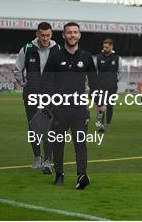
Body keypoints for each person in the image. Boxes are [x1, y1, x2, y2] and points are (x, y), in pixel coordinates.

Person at [42, 22, 96, 189]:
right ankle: (59, 174)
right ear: (64, 36)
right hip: (60, 109)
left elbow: (94, 82)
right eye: (69, 33)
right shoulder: (55, 56)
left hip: (80, 109)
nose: (72, 35)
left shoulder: (86, 57)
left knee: (80, 143)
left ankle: (82, 175)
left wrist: (99, 102)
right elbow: (46, 81)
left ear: (79, 35)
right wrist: (48, 103)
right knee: (58, 143)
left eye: (75, 32)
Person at [14, 21, 59, 174]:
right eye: (42, 35)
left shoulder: (57, 49)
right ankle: (37, 157)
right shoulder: (27, 48)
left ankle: (47, 160)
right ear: (37, 34)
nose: (45, 38)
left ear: (51, 35)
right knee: (33, 126)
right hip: (31, 94)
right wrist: (23, 83)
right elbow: (17, 68)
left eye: (48, 35)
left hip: (50, 95)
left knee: (48, 127)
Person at [94, 38, 123, 132]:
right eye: (104, 46)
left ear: (111, 46)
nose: (105, 48)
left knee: (110, 106)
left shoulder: (117, 58)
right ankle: (100, 125)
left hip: (112, 87)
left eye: (107, 47)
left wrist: (115, 80)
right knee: (100, 106)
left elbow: (121, 71)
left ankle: (107, 125)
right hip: (100, 87)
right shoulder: (98, 57)